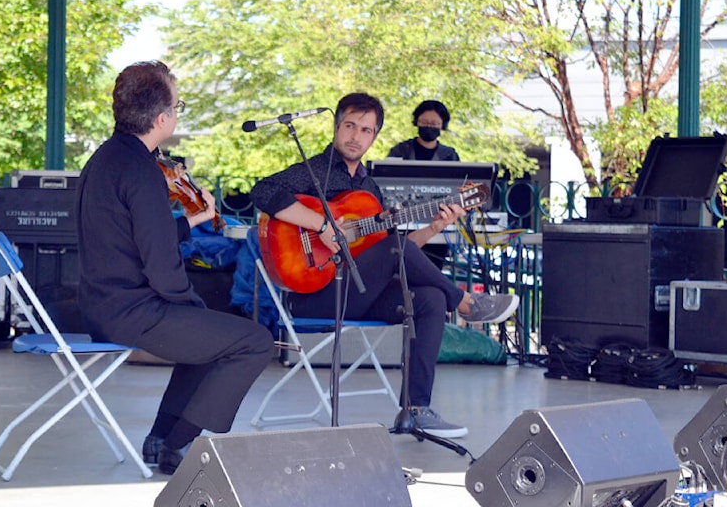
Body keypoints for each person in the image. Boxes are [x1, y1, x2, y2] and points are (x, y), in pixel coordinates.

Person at [250, 92, 518, 438]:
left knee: (430, 300)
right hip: (315, 292)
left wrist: (436, 227)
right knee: (401, 250)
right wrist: (322, 226)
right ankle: (465, 303)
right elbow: (263, 191)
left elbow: (395, 253)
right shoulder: (313, 172)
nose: (355, 136)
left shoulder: (368, 188)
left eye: (366, 130)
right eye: (349, 126)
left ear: (374, 137)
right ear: (336, 127)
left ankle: (416, 410)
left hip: (359, 292)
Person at [76, 61, 274, 475]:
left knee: (209, 338)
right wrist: (191, 305)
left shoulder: (107, 159)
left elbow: (136, 233)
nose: (178, 114)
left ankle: (161, 438)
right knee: (253, 342)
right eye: (178, 106)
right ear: (162, 118)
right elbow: (161, 263)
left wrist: (194, 221)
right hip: (131, 312)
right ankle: (179, 444)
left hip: (103, 303)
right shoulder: (141, 170)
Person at [387, 100, 461, 161]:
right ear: (417, 122)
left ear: (442, 125)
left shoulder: (450, 155)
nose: (428, 126)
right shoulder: (401, 150)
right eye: (424, 122)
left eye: (434, 123)